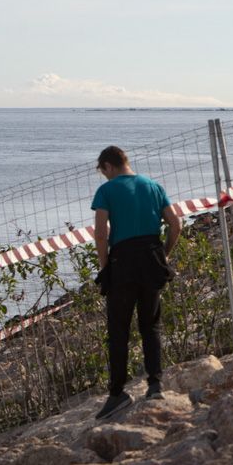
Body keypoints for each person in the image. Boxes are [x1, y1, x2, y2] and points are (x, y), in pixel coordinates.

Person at [92, 146, 181, 419]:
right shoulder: (153, 186)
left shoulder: (106, 191)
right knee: (150, 324)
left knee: (118, 329)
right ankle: (155, 385)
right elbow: (175, 224)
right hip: (152, 255)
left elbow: (100, 233)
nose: (104, 177)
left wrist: (105, 266)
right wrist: (164, 254)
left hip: (123, 261)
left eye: (103, 172)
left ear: (108, 166)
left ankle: (118, 393)